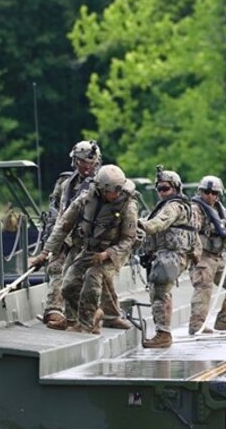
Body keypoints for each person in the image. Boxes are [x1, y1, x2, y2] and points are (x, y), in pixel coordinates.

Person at [29, 165, 139, 334]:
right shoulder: (85, 200)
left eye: (119, 190)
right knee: (68, 285)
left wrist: (106, 254)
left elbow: (128, 239)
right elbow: (63, 227)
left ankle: (87, 326)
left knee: (92, 279)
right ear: (101, 189)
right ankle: (81, 318)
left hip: (113, 251)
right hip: (90, 248)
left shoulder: (128, 206)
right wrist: (45, 253)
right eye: (112, 191)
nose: (116, 194)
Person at [40, 140, 127, 330]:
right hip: (69, 232)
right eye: (81, 162)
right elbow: (57, 211)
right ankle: (59, 312)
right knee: (60, 271)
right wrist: (49, 243)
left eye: (90, 162)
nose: (86, 167)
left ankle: (110, 315)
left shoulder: (106, 183)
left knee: (101, 278)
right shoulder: (65, 183)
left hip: (96, 237)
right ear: (74, 162)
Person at [137, 167, 195, 348]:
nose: (162, 193)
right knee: (158, 291)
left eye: (166, 189)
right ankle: (162, 332)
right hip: (165, 255)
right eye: (159, 189)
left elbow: (159, 223)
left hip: (172, 255)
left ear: (176, 188)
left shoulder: (174, 206)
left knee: (160, 290)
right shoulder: (166, 206)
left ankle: (163, 334)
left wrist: (141, 225)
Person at [188, 175, 226, 335]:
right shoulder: (195, 210)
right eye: (206, 192)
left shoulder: (220, 211)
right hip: (202, 257)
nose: (210, 196)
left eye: (214, 193)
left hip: (217, 257)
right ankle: (197, 326)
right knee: (204, 287)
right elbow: (191, 230)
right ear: (200, 192)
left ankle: (225, 321)